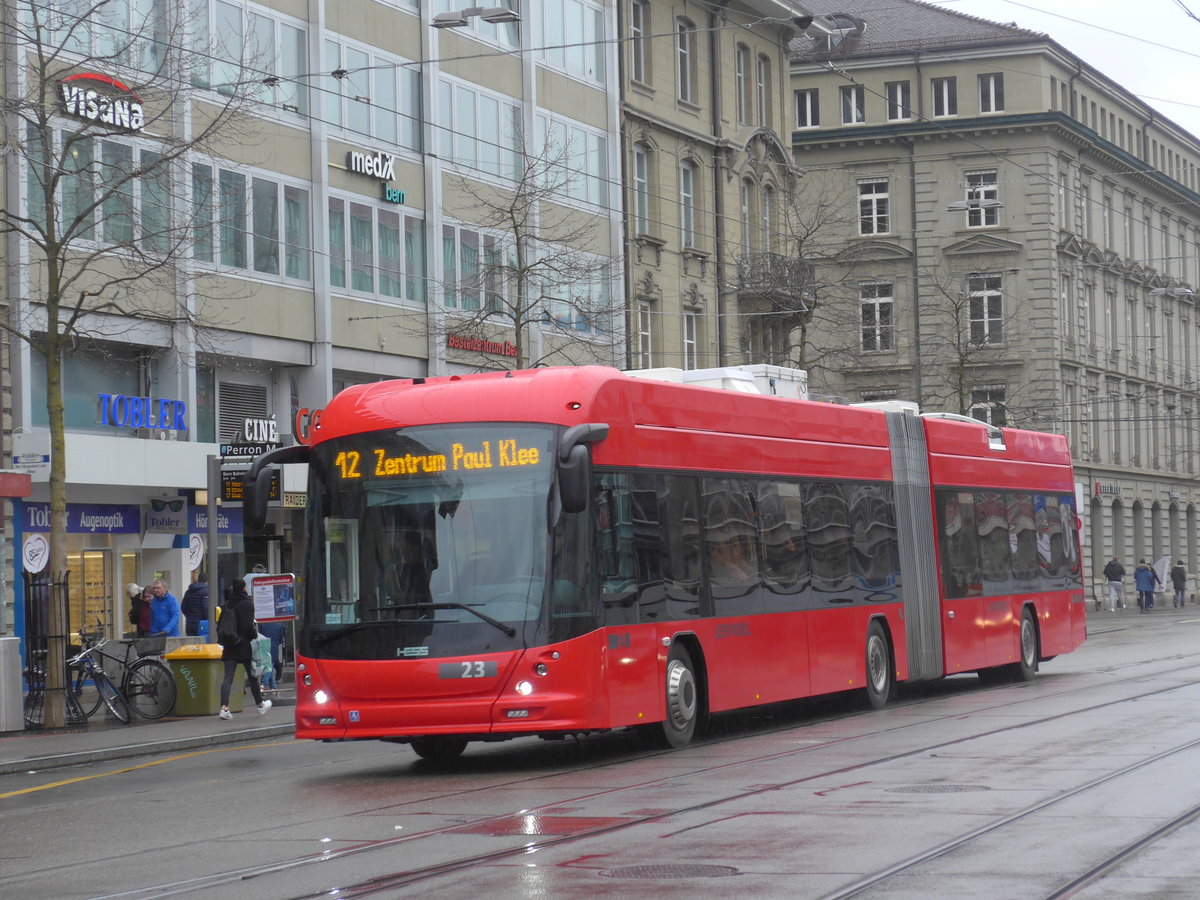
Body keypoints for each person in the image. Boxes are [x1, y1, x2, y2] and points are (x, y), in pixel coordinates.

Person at [217, 578, 271, 720]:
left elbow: (220, 625)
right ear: (244, 589)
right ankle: (260, 705)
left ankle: (224, 708)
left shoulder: (227, 604)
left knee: (228, 677)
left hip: (229, 645)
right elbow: (248, 627)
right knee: (252, 676)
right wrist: (254, 635)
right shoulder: (247, 604)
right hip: (244, 645)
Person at [180, 573, 209, 637]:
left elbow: (183, 607)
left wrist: (189, 616)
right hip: (201, 623)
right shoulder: (205, 591)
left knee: (191, 645)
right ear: (207, 581)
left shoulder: (188, 591)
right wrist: (207, 620)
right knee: (202, 645)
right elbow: (206, 608)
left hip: (189, 623)